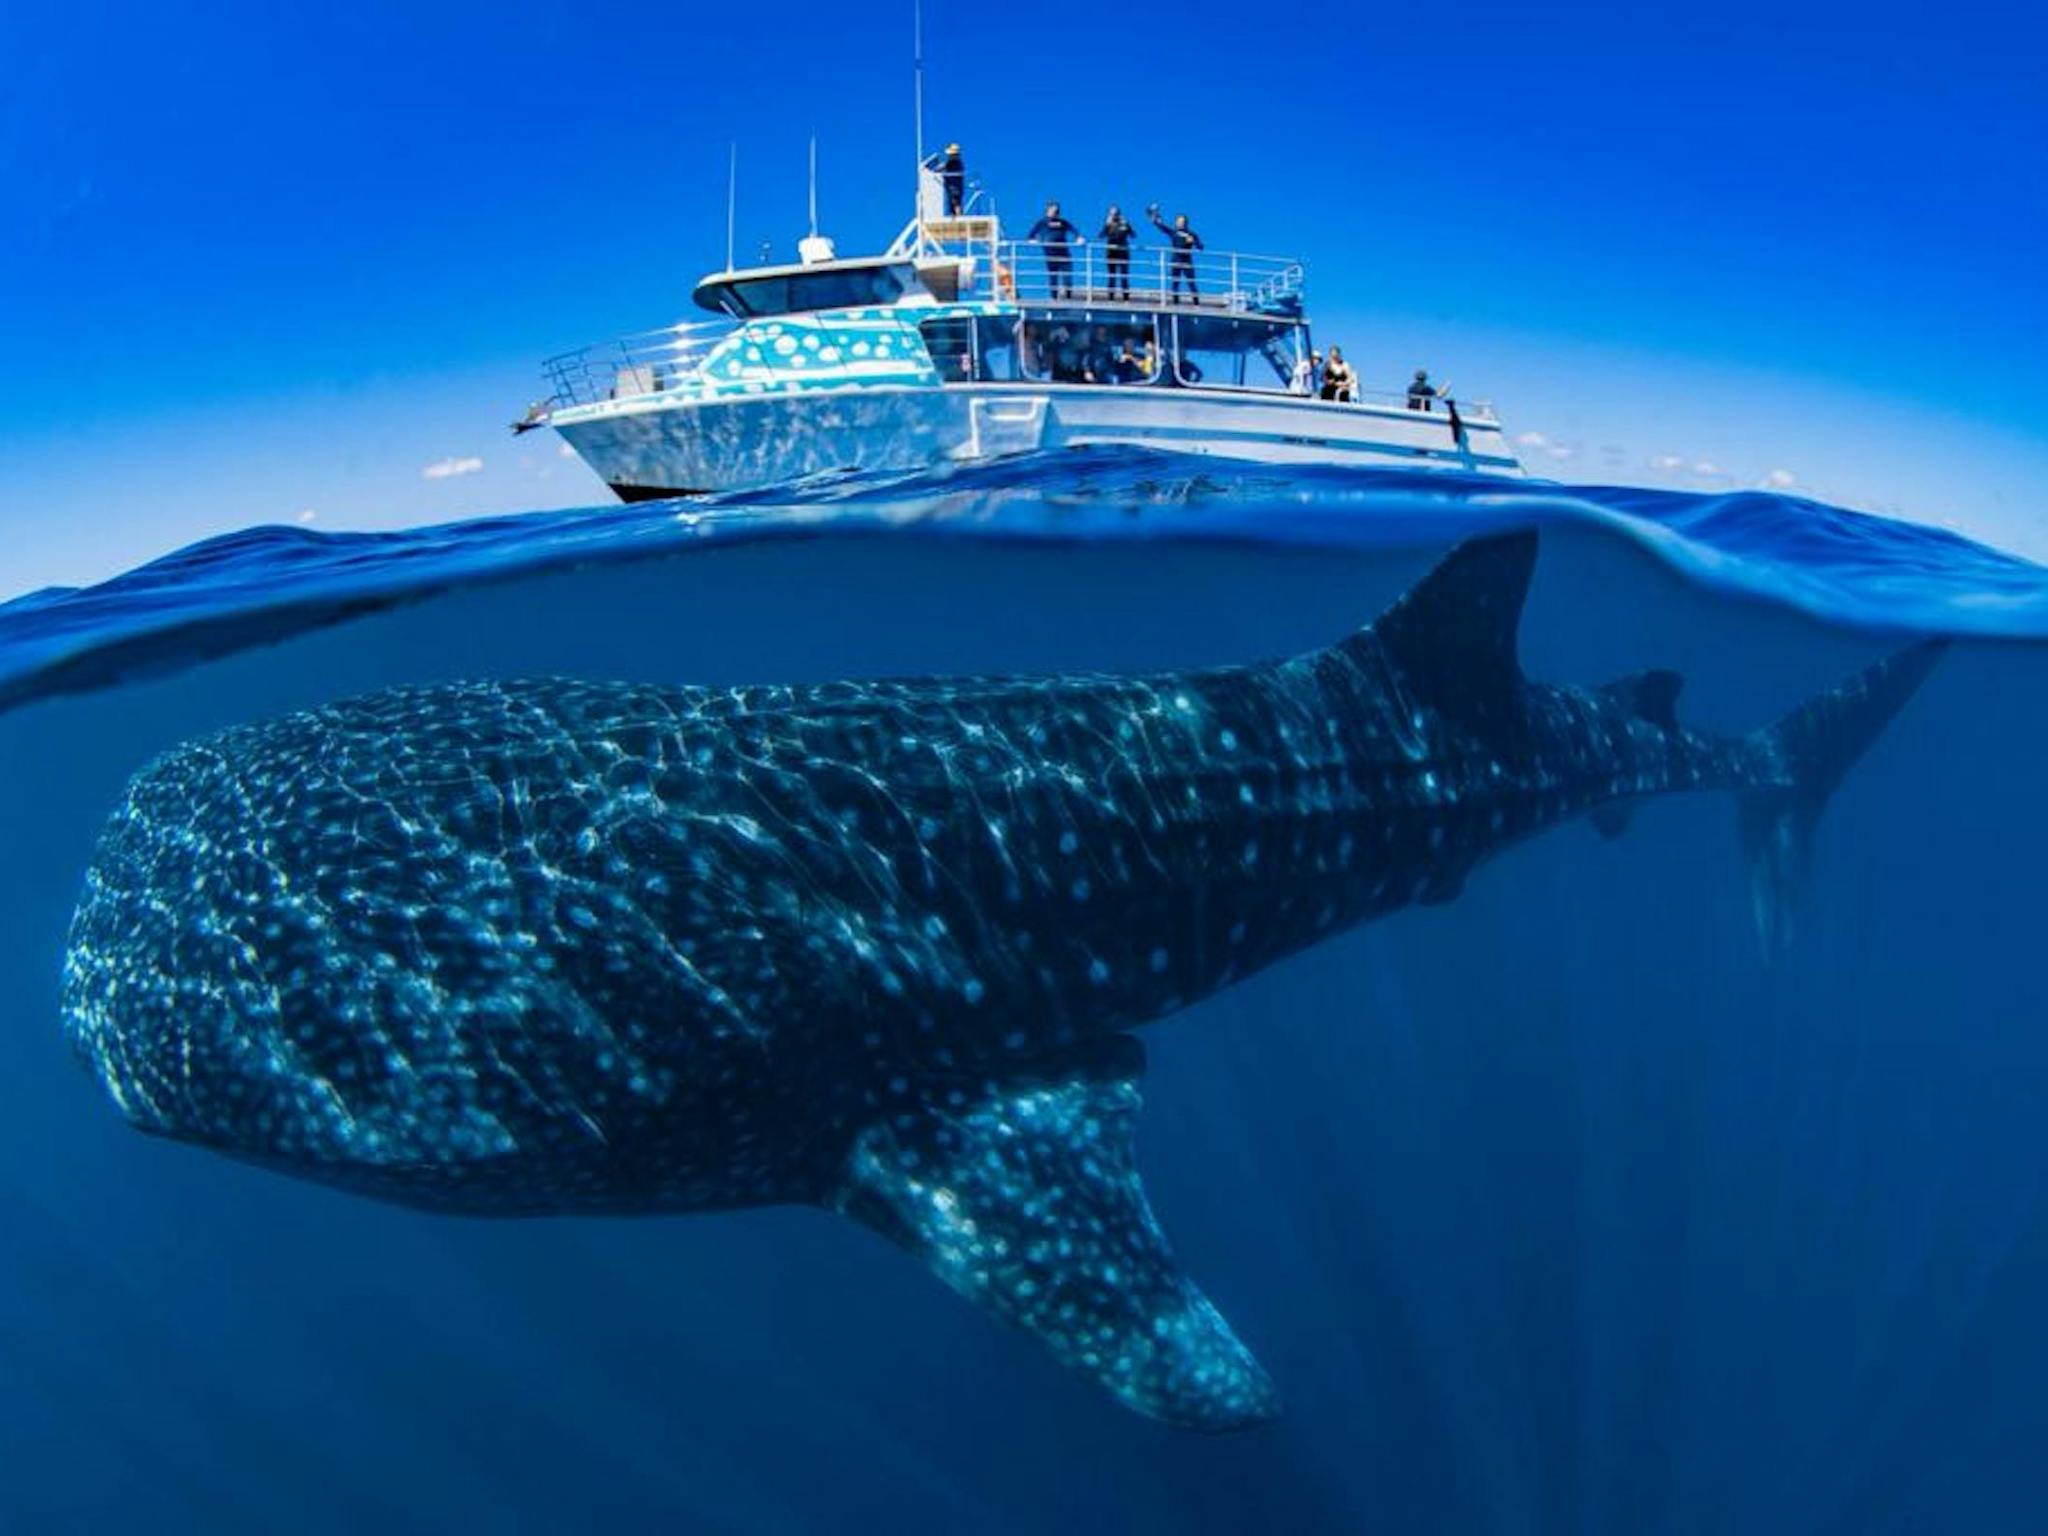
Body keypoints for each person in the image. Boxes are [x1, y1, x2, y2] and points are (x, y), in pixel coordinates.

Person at [1148, 205, 1203, 302]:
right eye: (1178, 221)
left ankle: (1196, 303)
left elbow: (1201, 247)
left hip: (1187, 260)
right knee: (1175, 282)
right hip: (1176, 259)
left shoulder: (1192, 234)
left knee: (1191, 282)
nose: (1180, 223)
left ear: (1186, 223)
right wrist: (1154, 216)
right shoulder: (1173, 232)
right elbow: (1161, 226)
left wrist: (1193, 242)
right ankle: (1175, 302)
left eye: (1182, 222)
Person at [1027, 201, 1081, 298]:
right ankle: (1054, 297)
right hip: (1051, 253)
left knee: (1067, 276)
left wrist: (1079, 237)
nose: (1055, 212)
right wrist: (1033, 241)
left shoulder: (1063, 222)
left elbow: (1074, 230)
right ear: (1048, 210)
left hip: (1063, 252)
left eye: (1057, 211)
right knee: (1053, 276)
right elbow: (1030, 235)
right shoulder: (1042, 222)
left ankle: (1068, 295)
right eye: (1053, 210)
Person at [1098, 205, 1135, 299]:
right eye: (1112, 214)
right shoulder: (1108, 224)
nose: (1115, 216)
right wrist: (1106, 225)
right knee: (1112, 275)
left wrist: (1127, 225)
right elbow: (1100, 236)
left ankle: (1126, 297)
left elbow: (1133, 235)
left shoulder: (1124, 224)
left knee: (1124, 276)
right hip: (1111, 252)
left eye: (1116, 213)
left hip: (1123, 253)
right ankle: (1111, 296)